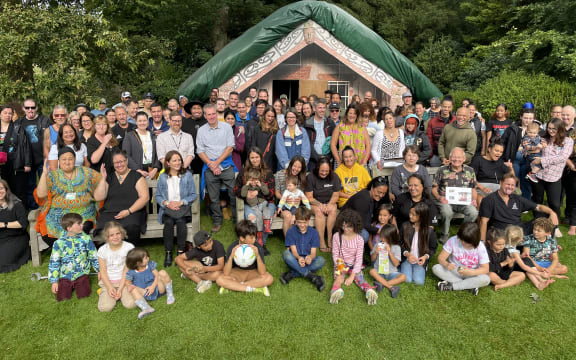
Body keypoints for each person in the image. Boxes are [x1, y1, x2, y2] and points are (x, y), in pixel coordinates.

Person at [36, 148, 108, 242]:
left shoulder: (87, 173)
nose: (67, 162)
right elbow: (41, 194)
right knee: (50, 232)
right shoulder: (52, 176)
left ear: (75, 159)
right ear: (59, 161)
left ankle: (68, 252)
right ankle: (69, 253)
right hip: (57, 214)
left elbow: (102, 193)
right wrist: (44, 173)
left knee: (81, 227)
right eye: (63, 159)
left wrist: (103, 179)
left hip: (83, 213)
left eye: (70, 159)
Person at [478, 173, 558, 241]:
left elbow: (539, 207)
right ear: (501, 183)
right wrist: (482, 242)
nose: (510, 187)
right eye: (507, 184)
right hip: (503, 232)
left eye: (512, 185)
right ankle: (525, 243)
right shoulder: (489, 200)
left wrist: (552, 213)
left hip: (520, 229)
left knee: (546, 217)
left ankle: (548, 246)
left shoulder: (517, 198)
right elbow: (483, 222)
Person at [93, 150, 149, 245]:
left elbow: (145, 197)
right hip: (110, 213)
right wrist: (103, 178)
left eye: (121, 161)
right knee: (106, 227)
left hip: (132, 212)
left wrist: (128, 211)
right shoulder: (109, 177)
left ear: (126, 161)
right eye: (116, 162)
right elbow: (98, 197)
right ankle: (110, 253)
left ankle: (129, 253)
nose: (119, 164)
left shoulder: (136, 176)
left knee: (132, 227)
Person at [196, 104, 236, 233]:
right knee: (213, 197)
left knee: (234, 193)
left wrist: (217, 162)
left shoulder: (227, 127)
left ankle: (237, 219)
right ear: (205, 116)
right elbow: (200, 151)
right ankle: (217, 221)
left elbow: (230, 147)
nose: (212, 116)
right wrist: (211, 165)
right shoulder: (201, 130)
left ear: (216, 114)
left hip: (226, 164)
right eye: (209, 114)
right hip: (209, 166)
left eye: (214, 114)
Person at [531, 118, 572, 237]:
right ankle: (538, 225)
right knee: (537, 201)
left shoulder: (568, 141)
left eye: (554, 129)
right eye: (549, 128)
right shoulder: (543, 138)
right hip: (539, 175)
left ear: (560, 129)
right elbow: (535, 153)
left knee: (554, 203)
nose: (551, 131)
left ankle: (555, 226)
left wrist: (542, 160)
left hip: (554, 177)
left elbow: (562, 157)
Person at [156, 150, 197, 266]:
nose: (178, 162)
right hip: (167, 209)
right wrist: (166, 203)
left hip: (182, 209)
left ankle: (180, 252)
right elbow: (158, 195)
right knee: (168, 223)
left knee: (180, 222)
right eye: (174, 160)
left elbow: (193, 195)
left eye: (179, 160)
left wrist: (181, 202)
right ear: (168, 163)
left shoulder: (187, 175)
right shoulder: (163, 177)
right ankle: (168, 252)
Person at [329, 209, 379, 305]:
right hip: (341, 263)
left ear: (355, 226)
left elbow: (359, 259)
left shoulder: (359, 239)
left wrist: (352, 276)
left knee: (359, 278)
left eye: (349, 227)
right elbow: (335, 254)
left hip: (354, 265)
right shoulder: (336, 236)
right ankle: (335, 291)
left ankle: (369, 291)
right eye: (343, 226)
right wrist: (340, 267)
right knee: (339, 277)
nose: (345, 229)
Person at [48, 213, 99, 301]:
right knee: (63, 298)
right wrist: (54, 282)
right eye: (79, 224)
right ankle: (66, 286)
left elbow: (93, 256)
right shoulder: (59, 243)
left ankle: (81, 285)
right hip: (65, 276)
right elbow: (54, 262)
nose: (82, 225)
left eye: (81, 223)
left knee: (84, 295)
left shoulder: (86, 239)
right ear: (69, 228)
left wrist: (99, 271)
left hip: (82, 274)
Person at [432, 147, 478, 242]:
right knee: (447, 211)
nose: (456, 159)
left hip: (464, 202)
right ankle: (445, 233)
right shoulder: (442, 170)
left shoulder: (470, 171)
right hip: (446, 201)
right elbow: (434, 188)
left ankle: (462, 232)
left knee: (473, 212)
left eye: (459, 157)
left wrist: (474, 199)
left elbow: (473, 189)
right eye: (454, 157)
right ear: (450, 158)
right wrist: (439, 197)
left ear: (464, 159)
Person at [216, 220, 274, 296]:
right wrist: (230, 257)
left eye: (255, 237)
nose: (254, 239)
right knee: (219, 279)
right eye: (251, 237)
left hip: (252, 273)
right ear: (242, 238)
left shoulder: (257, 247)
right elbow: (226, 273)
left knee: (269, 278)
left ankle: (235, 286)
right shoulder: (233, 247)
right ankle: (251, 288)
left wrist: (258, 256)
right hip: (237, 273)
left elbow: (262, 272)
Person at [432, 222, 491, 295]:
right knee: (436, 268)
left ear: (475, 240)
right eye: (462, 240)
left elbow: (485, 269)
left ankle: (453, 286)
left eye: (468, 243)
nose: (464, 244)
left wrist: (471, 272)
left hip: (472, 273)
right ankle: (469, 286)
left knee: (486, 279)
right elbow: (441, 258)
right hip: (455, 270)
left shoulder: (480, 247)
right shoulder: (453, 240)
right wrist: (446, 264)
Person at [280, 207, 326, 291]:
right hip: (295, 259)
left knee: (321, 260)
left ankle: (292, 273)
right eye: (299, 222)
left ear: (308, 220)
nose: (302, 225)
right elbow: (293, 251)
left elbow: (313, 253)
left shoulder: (314, 233)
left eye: (304, 222)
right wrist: (298, 258)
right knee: (286, 254)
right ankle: (313, 277)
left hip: (308, 260)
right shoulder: (290, 231)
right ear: (295, 220)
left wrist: (310, 257)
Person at [17, 98, 50, 209]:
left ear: (36, 108)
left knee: (45, 185)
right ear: (23, 109)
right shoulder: (19, 123)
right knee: (30, 186)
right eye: (27, 107)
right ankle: (33, 209)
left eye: (32, 107)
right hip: (28, 161)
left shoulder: (44, 120)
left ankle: (45, 208)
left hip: (43, 159)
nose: (30, 110)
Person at [96, 221, 136, 312]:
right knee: (104, 308)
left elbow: (127, 270)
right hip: (109, 281)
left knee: (131, 304)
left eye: (118, 233)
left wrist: (121, 289)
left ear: (122, 233)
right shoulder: (102, 250)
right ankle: (104, 290)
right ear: (107, 237)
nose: (115, 237)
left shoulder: (129, 247)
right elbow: (102, 270)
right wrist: (110, 287)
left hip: (125, 281)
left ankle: (120, 294)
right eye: (111, 235)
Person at [125, 247, 175, 319]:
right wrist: (129, 286)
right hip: (146, 293)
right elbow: (127, 281)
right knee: (132, 288)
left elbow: (157, 275)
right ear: (138, 263)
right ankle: (146, 308)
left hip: (159, 289)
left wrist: (153, 286)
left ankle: (170, 294)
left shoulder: (150, 265)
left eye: (147, 256)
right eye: (145, 258)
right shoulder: (131, 272)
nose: (148, 258)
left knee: (162, 272)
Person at [305, 157, 342, 252]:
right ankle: (321, 241)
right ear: (317, 168)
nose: (324, 173)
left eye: (327, 171)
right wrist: (320, 204)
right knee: (318, 211)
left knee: (333, 209)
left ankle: (329, 239)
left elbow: (336, 194)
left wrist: (329, 204)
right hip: (314, 202)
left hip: (329, 202)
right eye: (322, 171)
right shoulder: (311, 177)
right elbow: (309, 197)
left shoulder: (334, 176)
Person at [505, 225, 555, 290]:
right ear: (520, 239)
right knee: (526, 264)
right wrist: (539, 273)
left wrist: (520, 256)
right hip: (508, 270)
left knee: (526, 259)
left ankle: (541, 280)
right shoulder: (514, 252)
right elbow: (523, 266)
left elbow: (511, 258)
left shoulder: (507, 244)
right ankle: (538, 284)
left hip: (508, 266)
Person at [399, 202, 437, 285]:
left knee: (418, 282)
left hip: (420, 260)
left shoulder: (429, 231)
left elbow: (433, 248)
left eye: (414, 215)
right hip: (407, 258)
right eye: (410, 213)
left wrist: (425, 257)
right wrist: (407, 254)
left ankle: (423, 267)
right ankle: (402, 266)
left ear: (422, 217)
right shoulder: (405, 226)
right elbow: (399, 243)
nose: (410, 216)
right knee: (407, 280)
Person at [342, 176, 389, 245]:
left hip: (357, 222)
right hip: (345, 225)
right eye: (379, 192)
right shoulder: (363, 199)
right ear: (372, 187)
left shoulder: (371, 196)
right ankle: (349, 246)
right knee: (364, 236)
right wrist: (379, 230)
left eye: (383, 193)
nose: (381, 195)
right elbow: (362, 223)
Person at [0, 105, 32, 206]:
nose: (8, 115)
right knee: (4, 191)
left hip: (15, 164)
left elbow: (26, 146)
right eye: (5, 113)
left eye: (10, 113)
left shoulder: (18, 128)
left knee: (19, 190)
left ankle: (22, 215)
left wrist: (27, 163)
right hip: (1, 165)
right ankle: (7, 213)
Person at [0, 180, 30, 273]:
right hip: (2, 238)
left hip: (17, 237)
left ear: (6, 189)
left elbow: (23, 223)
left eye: (1, 188)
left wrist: (4, 224)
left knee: (3, 261)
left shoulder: (16, 203)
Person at [369, 224, 406, 298]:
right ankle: (390, 287)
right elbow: (372, 259)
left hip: (391, 272)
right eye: (381, 236)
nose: (382, 239)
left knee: (403, 277)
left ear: (391, 237)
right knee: (372, 271)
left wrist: (389, 252)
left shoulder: (396, 247)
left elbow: (396, 264)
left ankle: (382, 284)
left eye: (384, 238)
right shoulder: (377, 245)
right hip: (379, 270)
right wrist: (375, 252)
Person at [122, 111, 161, 180]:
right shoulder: (129, 136)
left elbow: (159, 153)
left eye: (144, 120)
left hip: (152, 169)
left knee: (152, 190)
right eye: (140, 121)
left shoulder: (153, 135)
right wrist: (138, 170)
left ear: (148, 121)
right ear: (136, 122)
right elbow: (126, 155)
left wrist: (155, 168)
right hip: (136, 170)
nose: (142, 123)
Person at [274, 155, 307, 235]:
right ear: (291, 164)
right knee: (288, 215)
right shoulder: (280, 174)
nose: (296, 169)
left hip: (295, 206)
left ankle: (295, 241)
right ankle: (289, 243)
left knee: (295, 216)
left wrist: (299, 199)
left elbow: (302, 196)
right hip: (283, 206)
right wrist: (283, 198)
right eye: (294, 166)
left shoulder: (301, 178)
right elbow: (276, 192)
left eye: (299, 167)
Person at [304, 102, 336, 171]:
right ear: (314, 109)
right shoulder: (307, 124)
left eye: (324, 108)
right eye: (320, 108)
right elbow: (307, 143)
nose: (322, 110)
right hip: (312, 161)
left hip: (327, 160)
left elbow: (334, 141)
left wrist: (327, 157)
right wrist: (317, 157)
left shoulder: (330, 123)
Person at [245, 106, 278, 171]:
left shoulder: (276, 129)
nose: (270, 118)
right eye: (268, 116)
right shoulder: (257, 128)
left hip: (272, 161)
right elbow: (253, 145)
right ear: (264, 115)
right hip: (259, 160)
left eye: (272, 116)